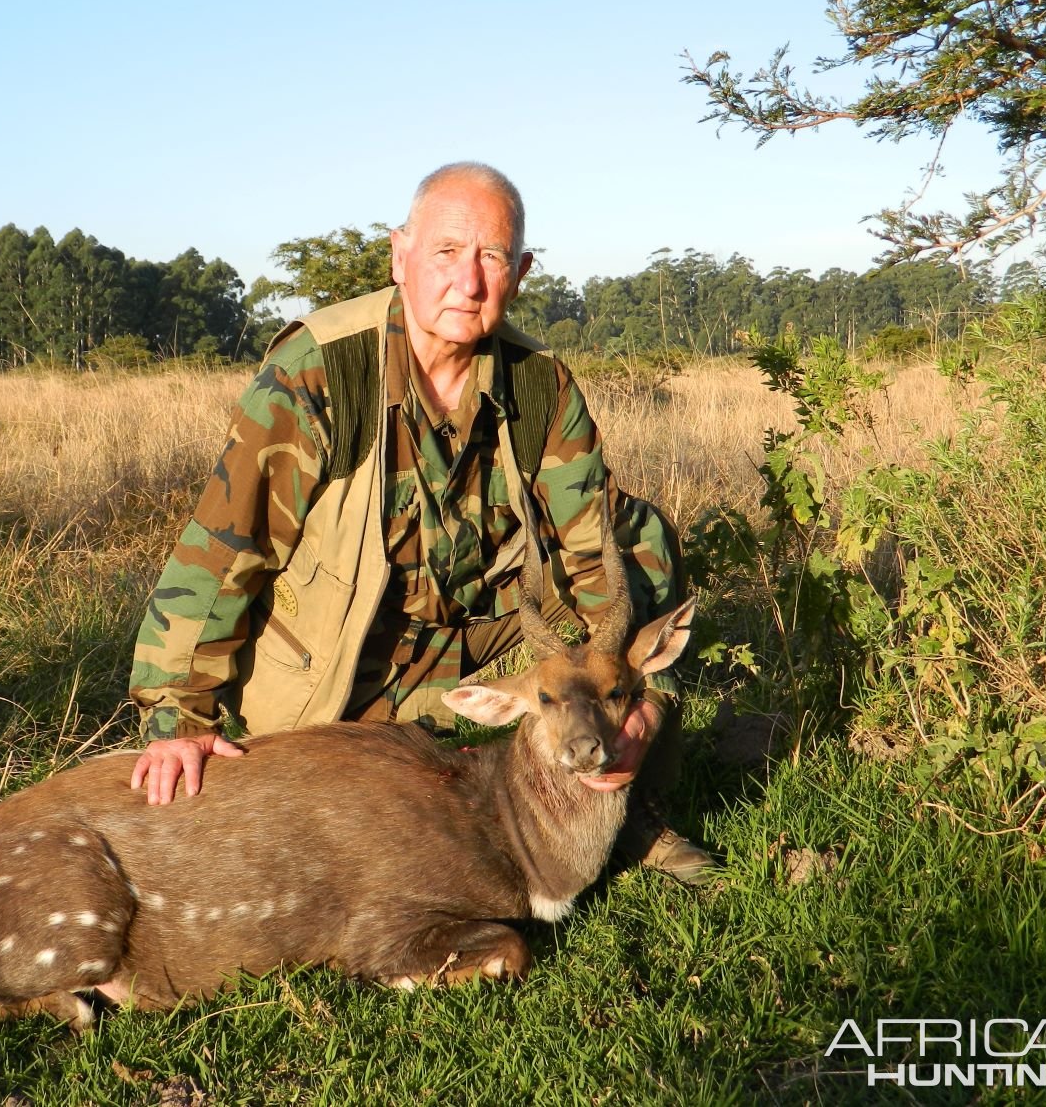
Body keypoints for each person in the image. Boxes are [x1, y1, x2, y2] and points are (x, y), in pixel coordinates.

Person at [126, 162, 712, 881]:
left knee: (640, 533)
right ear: (400, 253)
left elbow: (598, 554)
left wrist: (640, 713)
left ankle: (623, 804)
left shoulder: (538, 385)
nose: (468, 283)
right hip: (336, 673)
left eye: (491, 257)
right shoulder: (321, 371)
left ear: (520, 271)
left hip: (480, 660)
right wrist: (179, 721)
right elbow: (223, 551)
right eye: (446, 252)